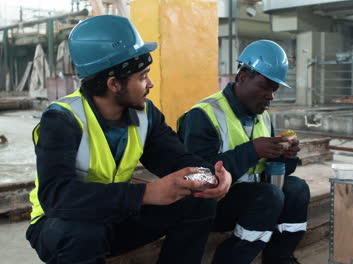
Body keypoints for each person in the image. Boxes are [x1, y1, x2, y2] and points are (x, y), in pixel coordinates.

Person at [26, 15, 232, 264]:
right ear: (114, 83)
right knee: (82, 233)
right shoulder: (62, 121)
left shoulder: (145, 115)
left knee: (198, 204)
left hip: (116, 217)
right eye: (143, 76)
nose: (151, 83)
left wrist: (213, 175)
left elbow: (177, 159)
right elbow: (56, 197)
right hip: (61, 225)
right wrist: (145, 193)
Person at [178, 40, 310, 264]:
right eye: (265, 86)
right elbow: (199, 176)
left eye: (274, 89)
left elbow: (267, 170)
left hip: (250, 199)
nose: (270, 96)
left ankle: (280, 257)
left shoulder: (261, 115)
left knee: (297, 188)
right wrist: (253, 150)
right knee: (269, 196)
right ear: (242, 78)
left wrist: (284, 157)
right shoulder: (204, 115)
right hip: (210, 205)